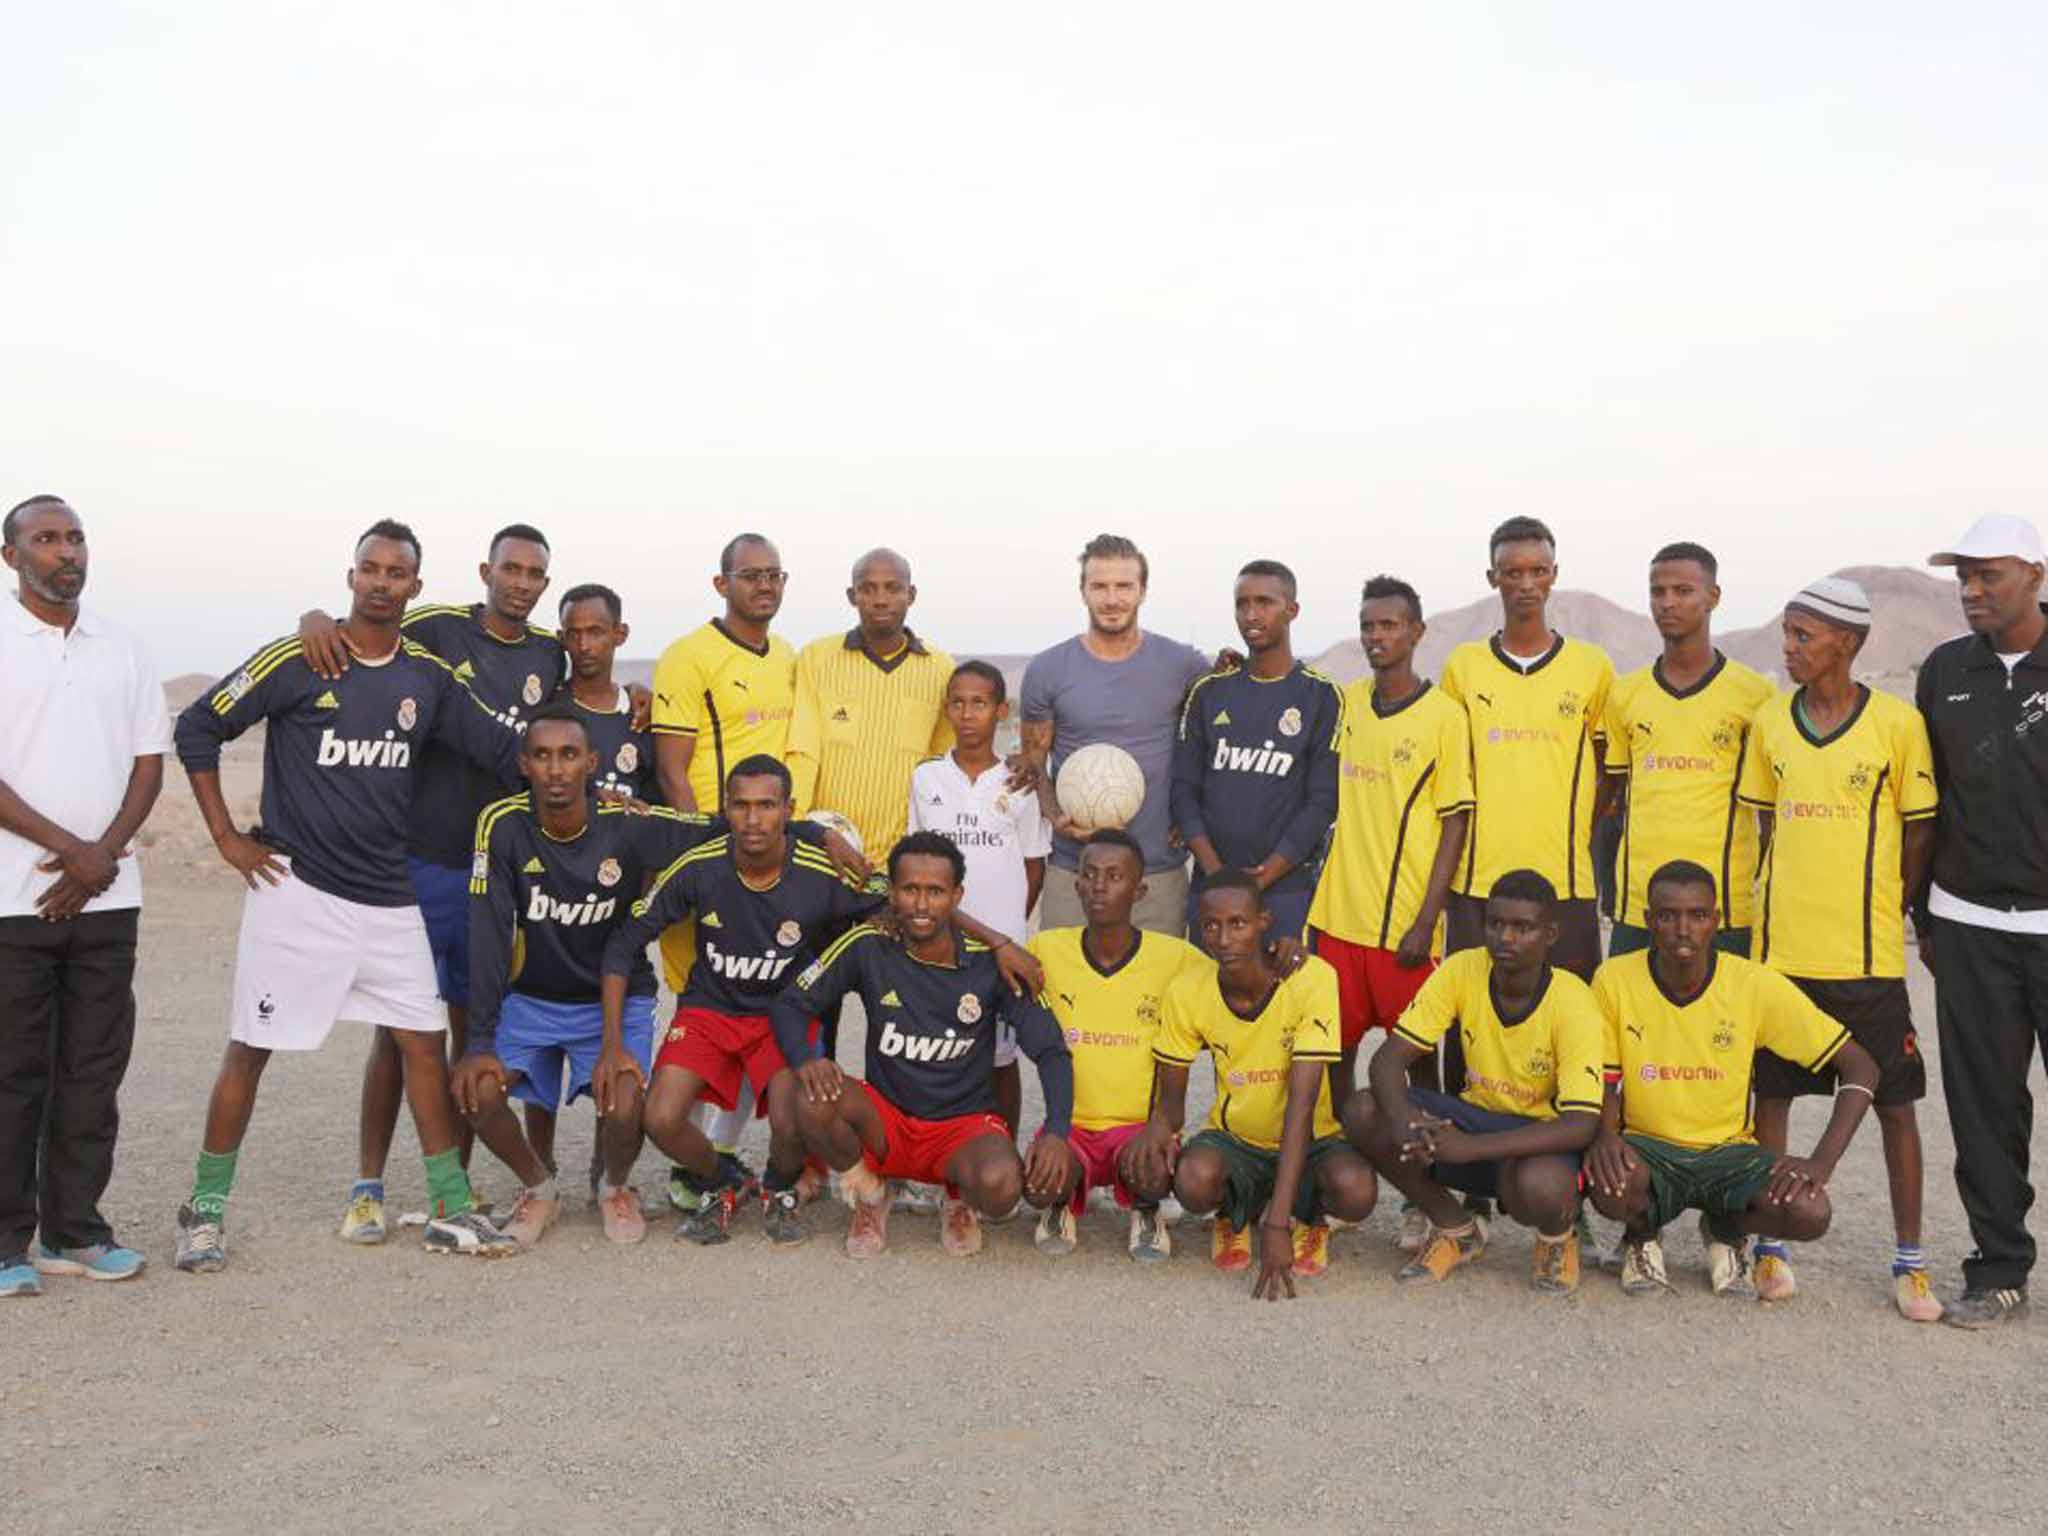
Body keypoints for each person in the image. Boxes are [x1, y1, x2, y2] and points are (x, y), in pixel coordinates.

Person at [170, 520, 525, 1269]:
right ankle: (202, 1211)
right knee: (252, 1050)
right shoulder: (302, 655)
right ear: (351, 575)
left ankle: (450, 1211)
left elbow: (503, 748)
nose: (382, 582)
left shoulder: (425, 677)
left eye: (397, 573)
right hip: (297, 893)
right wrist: (229, 840)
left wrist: (606, 737)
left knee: (423, 1047)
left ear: (415, 588)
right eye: (371, 568)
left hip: (388, 899)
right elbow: (199, 728)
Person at [296, 523, 564, 1239]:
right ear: (487, 571)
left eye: (534, 573)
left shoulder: (550, 656)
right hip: (420, 862)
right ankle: (368, 1186)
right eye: (510, 568)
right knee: (399, 1033)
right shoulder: (440, 628)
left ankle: (455, 1188)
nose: (520, 582)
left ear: (545, 583)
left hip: (495, 875)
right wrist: (314, 620)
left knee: (467, 1033)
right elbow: (365, 632)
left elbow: (562, 737)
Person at [1738, 576, 1941, 1321]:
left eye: (1803, 637)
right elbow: (1766, 828)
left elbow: (1918, 829)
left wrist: (1893, 905)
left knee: (1895, 1106)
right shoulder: (1771, 724)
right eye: (1787, 634)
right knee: (1774, 1098)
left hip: (1867, 956)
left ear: (1847, 645)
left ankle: (1911, 1261)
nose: (1789, 648)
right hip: (1784, 958)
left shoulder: (1896, 725)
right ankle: (1771, 1247)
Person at [452, 704, 716, 1249]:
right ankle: (540, 1187)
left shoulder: (628, 823)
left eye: (568, 755)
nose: (555, 769)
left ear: (591, 763)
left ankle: (614, 1187)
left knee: (625, 1105)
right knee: (476, 1088)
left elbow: (717, 829)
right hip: (532, 999)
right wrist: (478, 1041)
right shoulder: (501, 825)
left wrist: (812, 832)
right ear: (524, 764)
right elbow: (486, 933)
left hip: (613, 1001)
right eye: (543, 756)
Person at [600, 755, 886, 1246]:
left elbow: (884, 892)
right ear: (726, 810)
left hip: (783, 1015)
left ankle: (778, 1185)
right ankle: (723, 1180)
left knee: (791, 1113)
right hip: (710, 1009)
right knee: (661, 1117)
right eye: (741, 806)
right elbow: (625, 942)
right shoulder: (700, 866)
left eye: (767, 806)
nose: (753, 820)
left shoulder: (822, 869)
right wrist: (611, 1043)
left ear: (789, 811)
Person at [0, 495, 168, 1297]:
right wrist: (72, 852)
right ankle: (5, 1245)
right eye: (45, 539)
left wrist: (98, 862)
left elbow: (148, 762)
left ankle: (76, 1231)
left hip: (108, 903)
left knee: (93, 1071)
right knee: (13, 1073)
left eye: (73, 537)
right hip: (11, 900)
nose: (65, 551)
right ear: (11, 557)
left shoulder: (124, 648)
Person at [774, 831, 1078, 1258]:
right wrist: (808, 1058)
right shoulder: (868, 945)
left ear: (957, 896)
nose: (920, 904)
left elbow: (1050, 1050)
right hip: (888, 1121)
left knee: (1002, 1187)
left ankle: (959, 1199)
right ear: (892, 893)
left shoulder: (990, 963)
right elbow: (791, 1003)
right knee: (807, 1096)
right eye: (910, 890)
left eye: (935, 891)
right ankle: (870, 1193)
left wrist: (1057, 1131)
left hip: (962, 1125)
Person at [1589, 860, 1882, 1300]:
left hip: (1729, 1152)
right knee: (1607, 1179)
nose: (1683, 929)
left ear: (1717, 921)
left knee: (1810, 1212)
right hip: (1648, 1148)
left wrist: (1821, 1163)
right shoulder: (1614, 978)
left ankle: (1725, 1229)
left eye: (1698, 916)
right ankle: (1641, 1238)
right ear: (1648, 921)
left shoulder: (1753, 985)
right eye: (1668, 916)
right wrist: (1605, 1137)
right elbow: (1606, 1080)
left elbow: (1861, 1067)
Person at [1341, 870, 1603, 1294]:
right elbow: (1387, 1062)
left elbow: (1580, 1124)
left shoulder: (1573, 1001)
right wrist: (1407, 1122)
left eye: (1523, 927)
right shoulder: (1462, 969)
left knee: (1541, 1188)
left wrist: (1470, 1148)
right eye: (1496, 924)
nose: (1506, 938)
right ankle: (1455, 1230)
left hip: (1536, 1141)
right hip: (1474, 1120)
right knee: (1365, 1109)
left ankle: (1557, 1240)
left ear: (1550, 933)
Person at [1126, 871, 1378, 1299]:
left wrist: (1276, 1226)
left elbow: (1300, 1106)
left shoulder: (1312, 979)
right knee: (1192, 1180)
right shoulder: (1188, 992)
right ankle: (1233, 1213)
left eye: (1238, 923)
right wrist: (1155, 1130)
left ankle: (1306, 1218)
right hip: (1238, 1139)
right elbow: (1172, 1103)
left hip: (1312, 1138)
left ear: (1264, 921)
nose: (1224, 938)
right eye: (1210, 926)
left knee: (1357, 1191)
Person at [1916, 513, 2048, 1328]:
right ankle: (1997, 1268)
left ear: (2035, 575)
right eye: (1961, 575)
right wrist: (1921, 918)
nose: (1970, 589)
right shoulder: (1944, 671)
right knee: (1985, 1110)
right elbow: (1925, 803)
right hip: (1966, 924)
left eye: (1987, 574)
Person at [649, 533, 800, 1211]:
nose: (763, 587)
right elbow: (671, 767)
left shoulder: (790, 656)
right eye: (749, 576)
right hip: (715, 855)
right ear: (722, 584)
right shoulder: (688, 657)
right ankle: (698, 1158)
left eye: (773, 576)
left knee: (762, 1003)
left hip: (771, 851)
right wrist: (700, 854)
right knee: (705, 1001)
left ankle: (724, 1151)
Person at [1306, 576, 1471, 1097]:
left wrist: (1427, 921)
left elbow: (1455, 825)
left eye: (1389, 625)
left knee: (1417, 1063)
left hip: (1404, 927)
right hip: (1336, 921)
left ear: (1416, 632)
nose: (1377, 636)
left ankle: (1431, 1174)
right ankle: (1336, 1168)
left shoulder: (1445, 716)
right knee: (1335, 1056)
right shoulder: (1348, 702)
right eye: (1367, 626)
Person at [1439, 517, 1615, 981]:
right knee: (1471, 1027)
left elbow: (1608, 773)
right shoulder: (1464, 666)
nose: (1526, 584)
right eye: (1512, 572)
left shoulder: (1591, 667)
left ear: (1554, 574)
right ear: (1492, 578)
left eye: (1538, 571)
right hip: (1477, 882)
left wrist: (1573, 826)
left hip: (1565, 882)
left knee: (1570, 1020)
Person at [1023, 828, 1204, 1262]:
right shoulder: (1045, 950)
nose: (1101, 886)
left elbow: (1235, 983)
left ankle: (1146, 1208)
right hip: (1071, 1127)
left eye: (1115, 876)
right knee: (1036, 1185)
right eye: (1091, 874)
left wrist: (1282, 956)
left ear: (1139, 890)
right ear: (1077, 884)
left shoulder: (1177, 959)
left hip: (1137, 1129)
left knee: (1156, 1172)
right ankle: (1060, 1203)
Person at [1021, 534, 1212, 936]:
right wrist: (1057, 817)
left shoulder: (1184, 665)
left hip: (1157, 869)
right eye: (1100, 586)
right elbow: (1034, 760)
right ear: (1083, 591)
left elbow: (1214, 745)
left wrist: (1193, 813)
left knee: (1157, 995)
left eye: (1123, 586)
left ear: (1143, 590)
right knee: (1063, 990)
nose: (1112, 599)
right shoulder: (1048, 670)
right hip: (1075, 867)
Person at [1602, 544, 1773, 957]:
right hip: (1639, 905)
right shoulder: (1625, 695)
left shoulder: (1755, 696)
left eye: (1683, 591)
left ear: (1712, 597)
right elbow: (1613, 801)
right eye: (1658, 592)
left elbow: (1769, 815)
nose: (1668, 603)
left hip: (1723, 908)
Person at [908, 660, 1052, 1140]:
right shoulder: (926, 778)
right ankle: (929, 1157)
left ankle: (1001, 1151)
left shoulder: (1019, 783)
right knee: (934, 1049)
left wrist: (1006, 928)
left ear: (1000, 711)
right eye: (958, 702)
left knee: (998, 1058)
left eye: (980, 703)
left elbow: (1034, 865)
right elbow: (917, 862)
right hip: (937, 943)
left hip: (1000, 948)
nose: (967, 714)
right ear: (946, 709)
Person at [1171, 560, 1342, 945]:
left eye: (1265, 602)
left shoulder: (1321, 696)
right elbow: (1183, 789)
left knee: (1280, 999)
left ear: (1292, 610)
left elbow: (1322, 801)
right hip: (1211, 888)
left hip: (1284, 891)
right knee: (1205, 999)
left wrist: (1264, 876)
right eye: (1242, 603)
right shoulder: (1210, 692)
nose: (1251, 614)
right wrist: (1216, 872)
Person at [788, 548, 955, 858]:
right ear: (852, 596)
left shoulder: (941, 668)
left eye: (893, 588)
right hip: (827, 847)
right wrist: (796, 827)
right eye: (868, 588)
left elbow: (943, 765)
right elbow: (803, 753)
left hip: (901, 854)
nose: (881, 599)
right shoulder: (817, 658)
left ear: (911, 594)